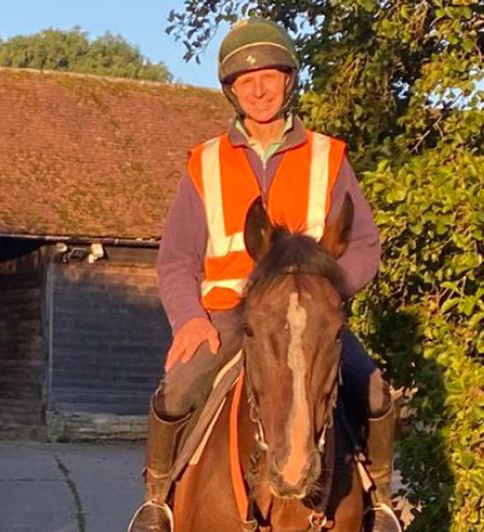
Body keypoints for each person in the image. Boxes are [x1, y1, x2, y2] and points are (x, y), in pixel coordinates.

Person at [127, 18, 400, 532]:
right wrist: (189, 319)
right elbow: (178, 259)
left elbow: (364, 244)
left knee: (375, 390)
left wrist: (327, 292)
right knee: (177, 390)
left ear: (288, 80)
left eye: (268, 77)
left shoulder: (328, 156)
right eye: (244, 82)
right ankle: (157, 501)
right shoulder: (206, 163)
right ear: (231, 91)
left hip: (311, 311)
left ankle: (381, 499)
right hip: (231, 312)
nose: (258, 89)